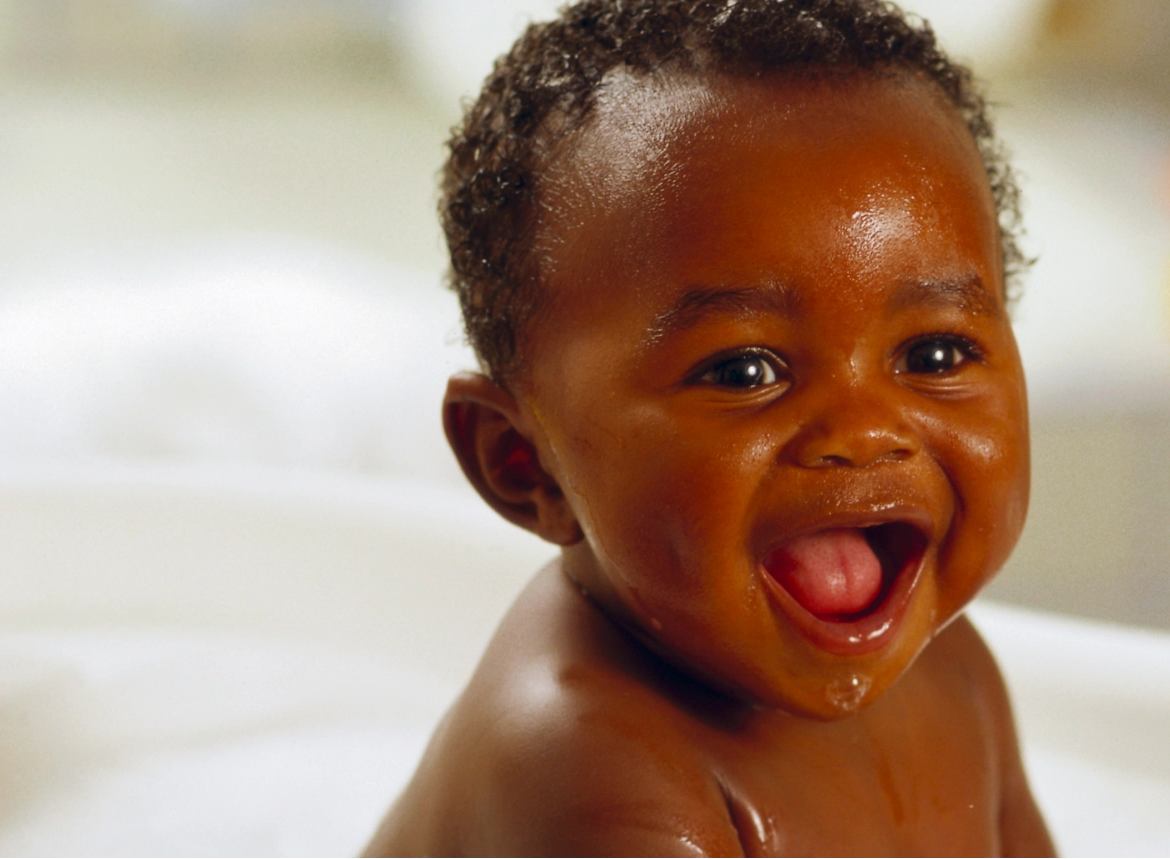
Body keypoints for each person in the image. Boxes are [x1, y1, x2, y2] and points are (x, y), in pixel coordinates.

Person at [365, 1, 1053, 854]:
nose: (864, 429)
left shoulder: (955, 675)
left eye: (937, 353)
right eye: (744, 371)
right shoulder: (588, 767)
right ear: (521, 462)